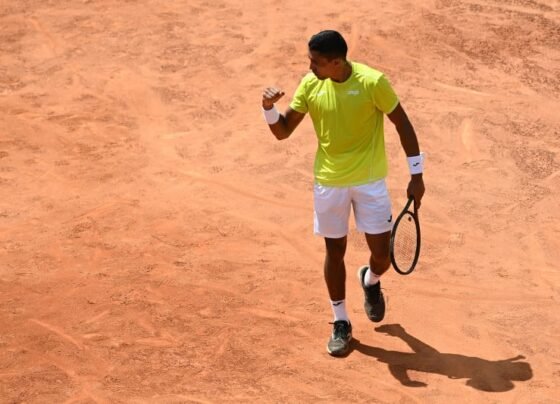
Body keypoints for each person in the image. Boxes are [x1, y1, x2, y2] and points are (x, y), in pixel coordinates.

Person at [261, 30, 425, 357]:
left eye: (316, 62)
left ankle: (371, 280)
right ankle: (341, 321)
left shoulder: (372, 82)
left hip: (369, 182)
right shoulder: (311, 85)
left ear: (337, 62)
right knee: (334, 252)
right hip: (329, 182)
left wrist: (416, 174)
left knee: (382, 254)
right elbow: (282, 132)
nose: (310, 68)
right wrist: (267, 108)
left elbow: (403, 124)